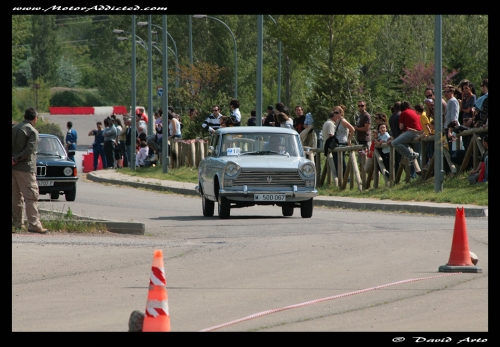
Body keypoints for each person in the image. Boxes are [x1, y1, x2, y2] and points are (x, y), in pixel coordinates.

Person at [12, 108, 48, 233]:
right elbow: (29, 149)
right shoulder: (32, 131)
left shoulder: (15, 128)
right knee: (31, 196)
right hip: (25, 168)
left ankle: (16, 223)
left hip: (13, 168)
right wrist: (17, 159)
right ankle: (34, 224)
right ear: (35, 118)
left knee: (16, 197)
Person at [390, 101, 423, 175]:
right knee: (420, 154)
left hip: (412, 132)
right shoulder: (414, 111)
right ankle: (420, 172)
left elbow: (401, 127)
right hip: (420, 133)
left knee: (395, 143)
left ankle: (410, 155)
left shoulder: (403, 113)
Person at [332, 105, 355, 174]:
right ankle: (340, 175)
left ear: (341, 113)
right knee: (337, 160)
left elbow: (352, 129)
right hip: (337, 143)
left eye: (337, 113)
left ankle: (345, 177)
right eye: (334, 112)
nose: (335, 114)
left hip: (342, 142)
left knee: (341, 160)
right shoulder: (336, 121)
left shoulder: (343, 121)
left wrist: (349, 140)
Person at [443, 84, 460, 152]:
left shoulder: (453, 101)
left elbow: (454, 117)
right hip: (448, 128)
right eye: (444, 92)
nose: (445, 93)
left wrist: (450, 130)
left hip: (452, 129)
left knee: (453, 149)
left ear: (452, 92)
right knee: (450, 149)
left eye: (447, 91)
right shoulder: (449, 101)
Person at [388, 101, 402, 172]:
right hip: (401, 139)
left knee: (399, 159)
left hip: (395, 138)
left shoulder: (391, 117)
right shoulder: (400, 115)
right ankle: (411, 175)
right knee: (405, 158)